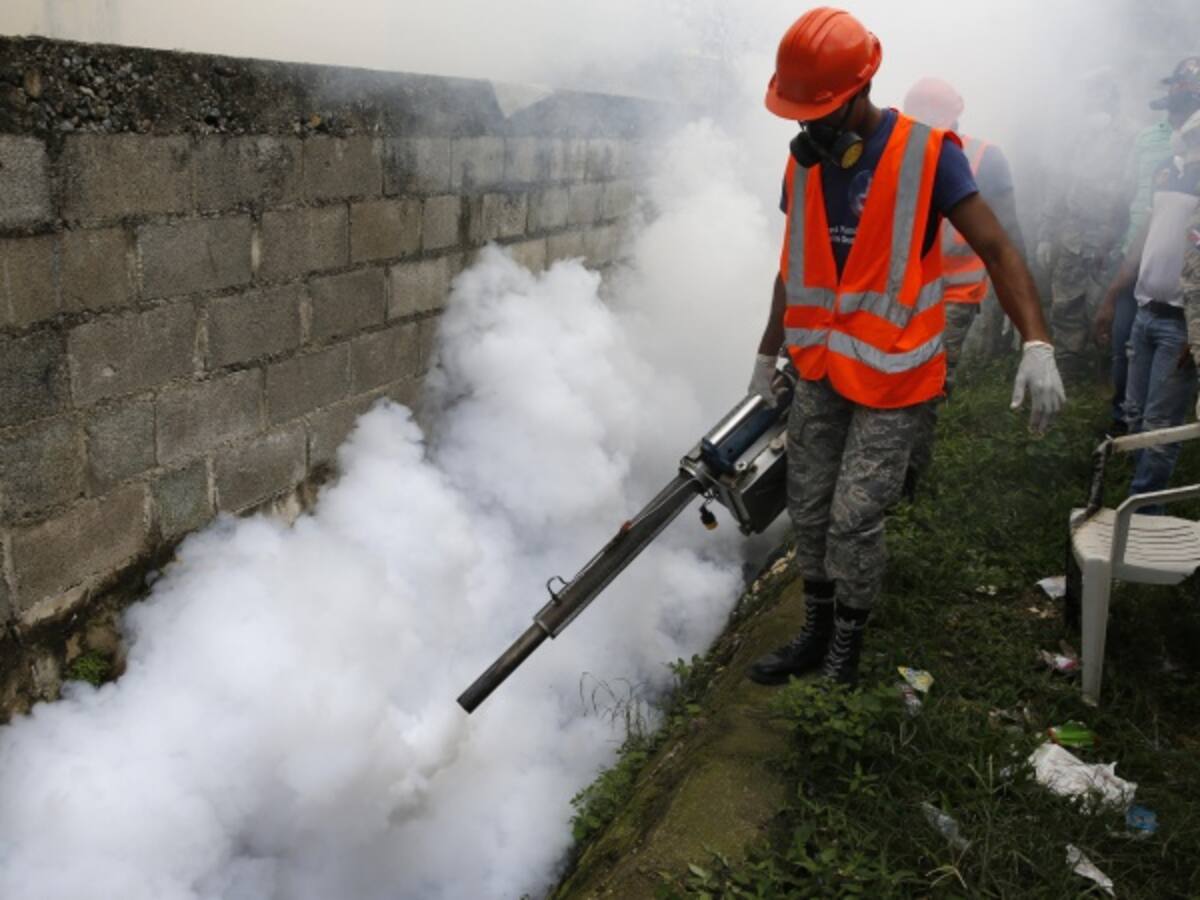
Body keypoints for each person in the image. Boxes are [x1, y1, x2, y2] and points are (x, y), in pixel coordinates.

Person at [745, 7, 1064, 687]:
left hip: (895, 376)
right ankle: (814, 629)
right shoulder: (803, 164)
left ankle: (845, 648)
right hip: (821, 367)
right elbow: (792, 264)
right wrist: (766, 354)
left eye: (820, 112)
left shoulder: (928, 155)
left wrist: (1037, 342)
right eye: (800, 115)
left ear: (860, 89)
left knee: (855, 516)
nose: (809, 129)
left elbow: (997, 247)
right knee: (809, 505)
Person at [902, 76, 1028, 495]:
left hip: (953, 294)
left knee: (928, 385)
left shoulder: (983, 157)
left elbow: (1007, 234)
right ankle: (891, 471)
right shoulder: (899, 152)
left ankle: (909, 483)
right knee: (893, 380)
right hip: (899, 292)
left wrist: (1018, 300)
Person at [1096, 108, 1200, 504]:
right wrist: (1113, 293)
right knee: (1136, 413)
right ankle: (1139, 497)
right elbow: (1146, 233)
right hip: (1146, 310)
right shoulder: (1168, 172)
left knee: (1160, 425)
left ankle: (1144, 510)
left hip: (1181, 323)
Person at [1037, 68, 1133, 383]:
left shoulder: (1129, 135)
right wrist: (1046, 233)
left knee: (1104, 305)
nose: (1090, 99)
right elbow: (1056, 183)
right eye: (1087, 93)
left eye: (1096, 91)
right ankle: (1068, 370)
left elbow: (1134, 187)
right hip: (1074, 235)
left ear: (1110, 95)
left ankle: (1105, 369)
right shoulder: (1074, 136)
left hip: (1111, 236)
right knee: (1066, 303)